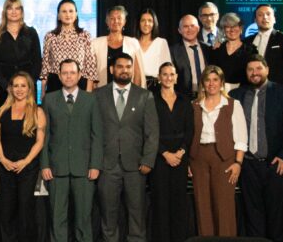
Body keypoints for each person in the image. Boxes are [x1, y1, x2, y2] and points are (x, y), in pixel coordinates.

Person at [228, 54, 283, 241]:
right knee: (253, 215)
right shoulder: (236, 95)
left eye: (259, 68)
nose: (255, 73)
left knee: (277, 216)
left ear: (267, 69)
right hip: (249, 165)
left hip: (275, 163)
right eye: (250, 69)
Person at [94, 52, 159, 242]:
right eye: (120, 66)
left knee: (137, 214)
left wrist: (148, 160)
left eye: (128, 67)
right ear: (112, 69)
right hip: (107, 165)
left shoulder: (144, 96)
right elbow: (93, 132)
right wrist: (95, 162)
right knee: (108, 215)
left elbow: (152, 132)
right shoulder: (98, 95)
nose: (125, 70)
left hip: (136, 166)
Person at [39, 59, 103, 242]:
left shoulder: (91, 100)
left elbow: (97, 135)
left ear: (79, 75)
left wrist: (95, 164)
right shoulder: (49, 100)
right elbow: (44, 135)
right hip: (56, 168)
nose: (68, 76)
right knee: (57, 217)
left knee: (84, 218)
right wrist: (45, 164)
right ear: (59, 76)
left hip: (84, 168)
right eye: (65, 73)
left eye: (72, 73)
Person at [190, 65, 247, 236]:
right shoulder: (194, 105)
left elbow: (241, 137)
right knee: (202, 205)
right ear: (202, 83)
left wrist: (238, 163)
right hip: (198, 158)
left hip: (224, 158)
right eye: (207, 80)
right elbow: (189, 135)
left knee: (224, 206)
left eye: (215, 80)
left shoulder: (232, 105)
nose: (211, 83)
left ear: (222, 83)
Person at [0, 71, 46, 242]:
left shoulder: (37, 111)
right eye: (16, 85)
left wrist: (26, 161)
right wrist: (3, 160)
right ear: (10, 88)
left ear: (30, 89)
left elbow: (40, 141)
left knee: (25, 209)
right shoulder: (2, 111)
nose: (19, 89)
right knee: (6, 210)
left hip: (28, 167)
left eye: (23, 85)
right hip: (6, 165)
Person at [149, 62, 193, 242]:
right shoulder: (150, 100)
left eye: (171, 74)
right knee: (160, 204)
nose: (168, 77)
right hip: (159, 158)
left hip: (180, 159)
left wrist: (181, 152)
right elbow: (149, 131)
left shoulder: (185, 100)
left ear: (176, 77)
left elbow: (190, 130)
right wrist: (165, 153)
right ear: (159, 78)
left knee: (178, 203)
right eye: (165, 74)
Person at [0, 0, 42, 109]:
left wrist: (28, 85)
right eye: (10, 8)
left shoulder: (31, 33)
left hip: (28, 89)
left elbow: (37, 61)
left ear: (22, 11)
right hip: (5, 89)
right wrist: (6, 86)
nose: (14, 12)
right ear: (5, 11)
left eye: (17, 8)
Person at [40, 0, 98, 99]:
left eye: (71, 11)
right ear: (58, 15)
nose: (68, 14)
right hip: (55, 84)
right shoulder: (50, 36)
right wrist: (43, 92)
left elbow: (90, 66)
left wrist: (88, 92)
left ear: (76, 14)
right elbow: (45, 66)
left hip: (79, 84)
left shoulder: (85, 35)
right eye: (64, 11)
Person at [243, 4, 283, 84]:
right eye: (260, 15)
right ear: (255, 20)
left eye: (268, 14)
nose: (265, 17)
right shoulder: (247, 41)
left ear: (274, 19)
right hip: (250, 87)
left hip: (276, 87)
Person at [91, 5, 146, 88]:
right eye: (112, 18)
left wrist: (135, 93)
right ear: (107, 21)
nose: (116, 21)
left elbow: (137, 73)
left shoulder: (133, 43)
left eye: (119, 18)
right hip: (102, 91)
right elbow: (91, 73)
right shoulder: (96, 43)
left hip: (127, 92)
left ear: (124, 21)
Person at [211, 13, 258, 91]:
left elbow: (254, 74)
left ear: (241, 28)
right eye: (228, 27)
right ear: (223, 30)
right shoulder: (217, 50)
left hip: (243, 92)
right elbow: (212, 73)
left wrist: (235, 87)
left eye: (235, 26)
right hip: (220, 92)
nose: (232, 30)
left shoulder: (250, 50)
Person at [170, 14, 211, 98]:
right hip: (183, 98)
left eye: (192, 26)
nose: (189, 29)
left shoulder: (208, 49)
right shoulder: (173, 51)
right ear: (179, 30)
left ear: (198, 28)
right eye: (185, 26)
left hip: (208, 95)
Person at [135, 8, 172, 90]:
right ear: (138, 23)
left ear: (154, 23)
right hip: (135, 85)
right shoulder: (132, 42)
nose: (146, 24)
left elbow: (167, 69)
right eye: (143, 20)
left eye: (150, 21)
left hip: (155, 87)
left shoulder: (161, 42)